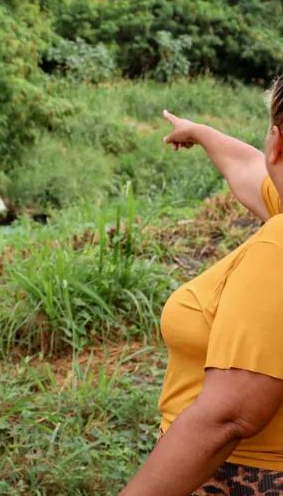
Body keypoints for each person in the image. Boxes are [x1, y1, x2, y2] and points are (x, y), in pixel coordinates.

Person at [120, 77, 283, 496]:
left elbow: (228, 417)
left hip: (237, 479)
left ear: (277, 144)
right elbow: (249, 169)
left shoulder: (279, 247)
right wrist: (200, 132)